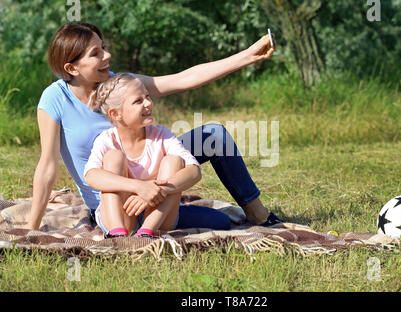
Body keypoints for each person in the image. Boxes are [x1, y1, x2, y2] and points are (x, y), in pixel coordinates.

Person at [26, 22, 282, 231]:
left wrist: (248, 56)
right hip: (113, 205)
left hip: (156, 192)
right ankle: (144, 225)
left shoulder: (121, 85)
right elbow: (48, 165)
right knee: (114, 161)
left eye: (103, 47)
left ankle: (258, 215)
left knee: (213, 136)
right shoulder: (54, 99)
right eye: (96, 53)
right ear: (71, 67)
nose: (107, 55)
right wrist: (31, 229)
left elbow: (184, 79)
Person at [85, 73, 222, 238]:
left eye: (148, 97)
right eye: (138, 101)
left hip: (157, 218)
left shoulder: (162, 135)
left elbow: (194, 171)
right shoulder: (107, 140)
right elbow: (91, 176)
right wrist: (139, 187)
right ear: (115, 114)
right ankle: (117, 235)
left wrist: (160, 190)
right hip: (121, 217)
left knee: (174, 161)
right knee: (113, 157)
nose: (148, 103)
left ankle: (146, 233)